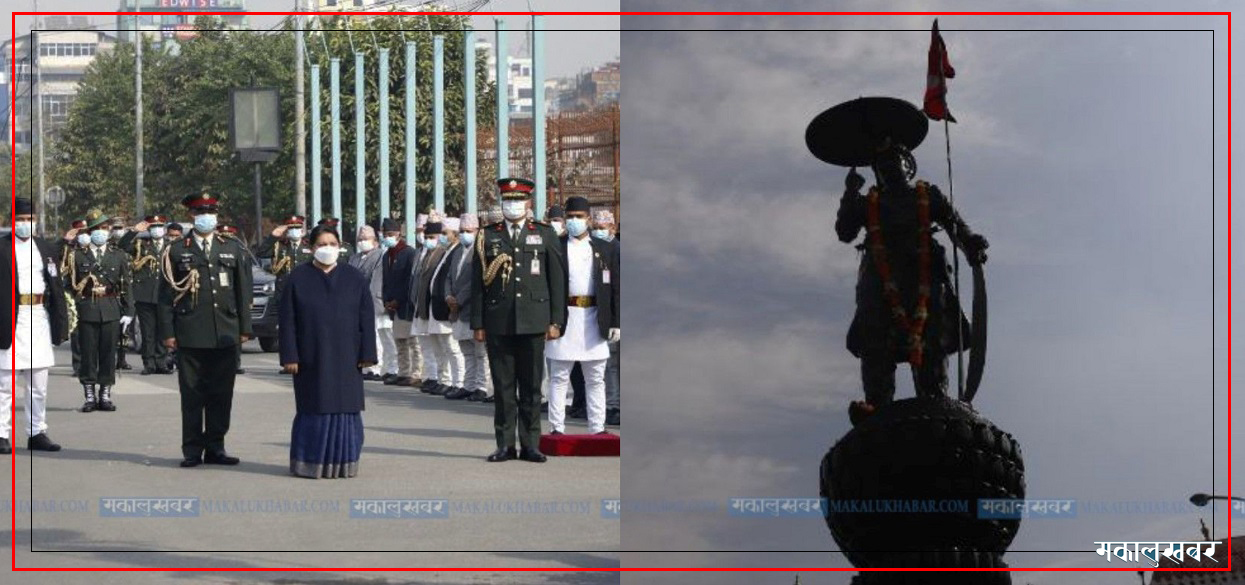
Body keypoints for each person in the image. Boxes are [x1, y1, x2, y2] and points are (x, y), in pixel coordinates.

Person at [835, 140, 988, 419]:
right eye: (881, 164)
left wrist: (970, 243)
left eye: (895, 160)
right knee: (874, 337)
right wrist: (850, 191)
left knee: (932, 336)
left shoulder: (927, 195)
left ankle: (935, 401)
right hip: (880, 278)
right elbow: (845, 232)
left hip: (924, 273)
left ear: (908, 166)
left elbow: (954, 224)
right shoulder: (869, 201)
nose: (888, 166)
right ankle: (877, 406)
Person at [471, 178, 567, 463]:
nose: (513, 205)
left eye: (518, 200)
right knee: (502, 388)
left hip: (535, 320)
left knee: (531, 387)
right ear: (502, 202)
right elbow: (478, 283)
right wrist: (478, 323)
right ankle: (504, 444)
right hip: (498, 321)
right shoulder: (488, 235)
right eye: (508, 200)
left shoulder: (545, 234)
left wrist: (556, 321)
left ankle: (530, 444)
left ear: (528, 203)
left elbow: (557, 280)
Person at [158, 192, 254, 468]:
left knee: (222, 394)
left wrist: (244, 328)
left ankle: (216, 446)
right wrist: (168, 333)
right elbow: (165, 296)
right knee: (192, 394)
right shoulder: (176, 250)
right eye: (201, 212)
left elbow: (241, 291)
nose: (207, 217)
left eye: (211, 211)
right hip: (190, 332)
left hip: (225, 331)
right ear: (191, 216)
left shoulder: (232, 247)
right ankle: (191, 450)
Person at [279, 225, 376, 479]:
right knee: (314, 406)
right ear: (311, 248)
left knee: (345, 408)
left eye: (332, 243)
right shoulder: (297, 278)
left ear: (340, 245)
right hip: (311, 357)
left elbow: (366, 318)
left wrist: (368, 353)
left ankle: (345, 463)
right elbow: (288, 320)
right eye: (322, 244)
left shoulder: (353, 278)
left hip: (348, 356)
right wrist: (290, 355)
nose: (328, 249)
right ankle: (309, 462)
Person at [2, 197, 71, 452]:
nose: (25, 224)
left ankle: (37, 432)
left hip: (38, 316)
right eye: (20, 220)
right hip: (10, 318)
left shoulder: (47, 248)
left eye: (29, 219)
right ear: (12, 221)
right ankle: (1, 433)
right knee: (4, 383)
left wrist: (61, 323)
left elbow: (57, 287)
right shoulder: (1, 248)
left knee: (38, 382)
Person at [545, 197, 619, 435]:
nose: (574, 221)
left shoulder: (604, 248)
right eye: (570, 216)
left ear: (589, 218)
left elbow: (615, 288)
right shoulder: (555, 246)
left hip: (593, 317)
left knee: (596, 377)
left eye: (579, 216)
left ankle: (597, 428)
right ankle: (557, 427)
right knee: (559, 376)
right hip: (564, 316)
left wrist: (616, 321)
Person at [66, 209, 134, 413]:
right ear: (89, 231)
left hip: (111, 308)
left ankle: (105, 394)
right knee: (88, 355)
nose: (101, 232)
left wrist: (129, 311)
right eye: (96, 229)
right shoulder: (77, 255)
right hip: (87, 309)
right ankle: (89, 396)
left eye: (104, 228)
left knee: (108, 354)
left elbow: (127, 284)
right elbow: (69, 284)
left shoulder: (118, 255)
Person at [119, 215, 173, 375]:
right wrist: (134, 231)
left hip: (165, 295)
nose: (157, 229)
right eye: (153, 226)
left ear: (164, 229)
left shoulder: (171, 246)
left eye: (159, 226)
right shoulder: (141, 246)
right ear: (149, 230)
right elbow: (121, 246)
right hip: (145, 295)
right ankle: (149, 363)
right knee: (148, 332)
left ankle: (161, 362)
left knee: (163, 330)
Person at [445, 213, 490, 402]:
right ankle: (469, 385)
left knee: (480, 352)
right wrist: (448, 296)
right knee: (466, 351)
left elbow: (476, 280)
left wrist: (459, 299)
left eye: (468, 231)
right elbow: (449, 277)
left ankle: (482, 386)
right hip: (457, 310)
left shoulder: (481, 251)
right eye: (462, 231)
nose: (464, 234)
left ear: (477, 231)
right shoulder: (457, 252)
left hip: (472, 308)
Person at [410, 215, 452, 395]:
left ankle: (446, 380)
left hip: (434, 306)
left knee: (445, 347)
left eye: (431, 237)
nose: (428, 240)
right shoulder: (423, 253)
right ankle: (433, 377)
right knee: (428, 346)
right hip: (421, 306)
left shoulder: (442, 253)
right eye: (426, 237)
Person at [381, 218, 419, 386]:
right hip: (393, 306)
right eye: (385, 234)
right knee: (400, 341)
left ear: (398, 234)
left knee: (412, 341)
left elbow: (408, 281)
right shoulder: (386, 255)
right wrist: (387, 300)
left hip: (406, 305)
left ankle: (416, 373)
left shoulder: (408, 252)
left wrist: (398, 299)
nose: (387, 237)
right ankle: (403, 372)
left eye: (390, 234)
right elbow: (386, 281)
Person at [349, 224, 388, 381]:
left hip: (372, 300)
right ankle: (365, 366)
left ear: (375, 241)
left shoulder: (379, 256)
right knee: (361, 335)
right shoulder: (354, 258)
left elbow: (376, 280)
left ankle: (376, 368)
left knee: (377, 337)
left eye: (366, 239)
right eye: (360, 239)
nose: (362, 242)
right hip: (355, 302)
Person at [219, 223, 248, 375]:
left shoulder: (240, 251)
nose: (227, 239)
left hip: (235, 299)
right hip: (223, 298)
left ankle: (235, 363)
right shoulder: (216, 251)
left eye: (229, 236)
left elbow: (245, 278)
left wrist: (248, 298)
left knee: (236, 335)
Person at [62, 218, 89, 378]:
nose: (83, 235)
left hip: (92, 294)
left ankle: (92, 365)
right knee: (77, 332)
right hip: (74, 294)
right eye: (80, 232)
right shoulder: (68, 250)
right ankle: (78, 365)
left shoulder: (94, 249)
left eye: (85, 232)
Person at [109, 218, 135, 372]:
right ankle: (110, 359)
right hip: (112, 289)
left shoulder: (132, 244)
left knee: (124, 329)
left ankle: (122, 358)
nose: (118, 230)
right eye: (116, 227)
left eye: (121, 227)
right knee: (112, 328)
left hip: (126, 288)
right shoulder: (109, 244)